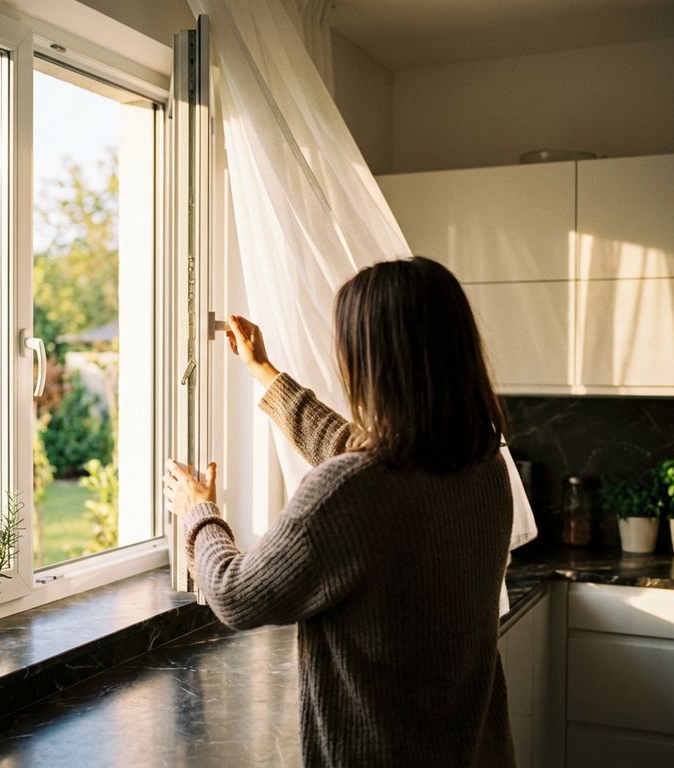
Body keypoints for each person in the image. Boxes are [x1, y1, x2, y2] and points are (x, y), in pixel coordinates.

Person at [162, 256, 515, 767]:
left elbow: (236, 596)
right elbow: (357, 449)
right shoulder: (481, 461)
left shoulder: (348, 492)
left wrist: (199, 512)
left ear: (373, 362)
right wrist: (264, 373)